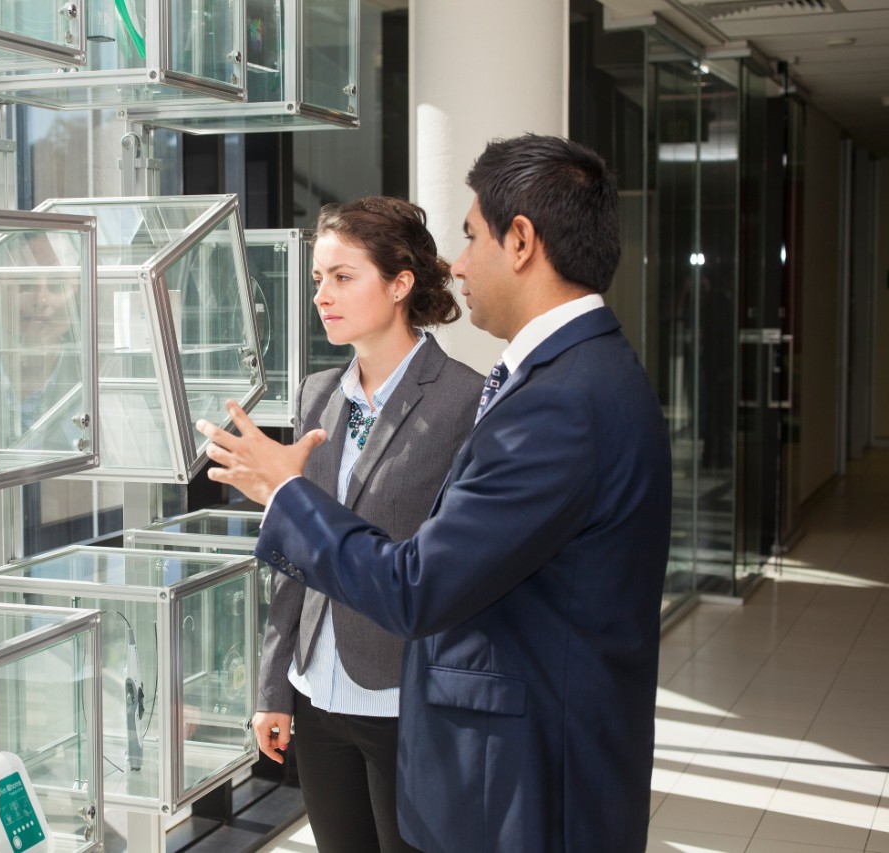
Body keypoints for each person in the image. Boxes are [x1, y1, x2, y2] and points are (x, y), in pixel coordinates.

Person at [196, 135, 672, 853]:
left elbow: (418, 585)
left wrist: (286, 492)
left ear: (521, 242)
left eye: (472, 236)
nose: (458, 263)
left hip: (528, 771)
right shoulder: (576, 376)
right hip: (512, 745)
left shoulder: (558, 402)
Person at [253, 196, 482, 853]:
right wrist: (273, 687)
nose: (322, 295)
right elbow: (295, 554)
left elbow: (461, 565)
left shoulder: (463, 399)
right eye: (318, 278)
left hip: (405, 696)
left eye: (343, 276)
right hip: (315, 691)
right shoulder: (317, 393)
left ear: (400, 283)